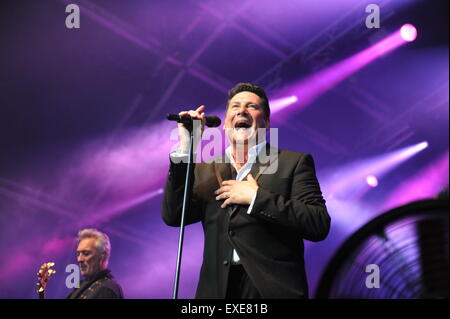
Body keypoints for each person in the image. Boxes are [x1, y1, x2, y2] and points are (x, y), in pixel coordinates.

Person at [162, 82, 330, 299]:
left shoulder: (293, 162)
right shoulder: (205, 170)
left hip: (270, 290)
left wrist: (257, 198)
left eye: (252, 106)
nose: (242, 111)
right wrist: (186, 148)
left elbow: (318, 223)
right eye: (235, 106)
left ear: (267, 122)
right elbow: (174, 215)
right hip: (216, 292)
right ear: (225, 123)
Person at [37, 228, 124, 299]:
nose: (79, 259)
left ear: (102, 255)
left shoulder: (107, 289)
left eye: (86, 253)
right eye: (78, 254)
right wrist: (42, 292)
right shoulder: (82, 286)